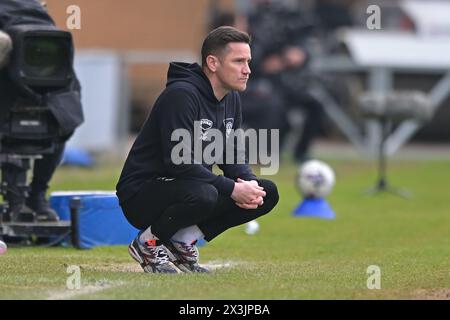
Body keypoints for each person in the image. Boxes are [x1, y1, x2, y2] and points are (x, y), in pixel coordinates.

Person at [116, 26, 279, 273]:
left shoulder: (230, 98)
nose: (247, 70)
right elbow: (179, 163)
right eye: (238, 61)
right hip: (142, 192)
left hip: (189, 187)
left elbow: (231, 154)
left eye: (248, 61)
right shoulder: (181, 95)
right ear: (213, 63)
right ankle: (147, 243)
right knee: (205, 194)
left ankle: (182, 241)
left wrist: (248, 185)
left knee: (266, 192)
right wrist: (232, 188)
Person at [0, 0, 84, 222]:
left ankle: (36, 196)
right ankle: (35, 197)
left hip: (50, 98)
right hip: (15, 94)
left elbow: (71, 113)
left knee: (59, 125)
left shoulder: (47, 35)